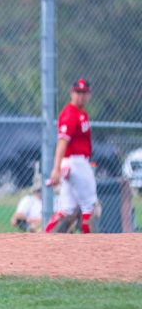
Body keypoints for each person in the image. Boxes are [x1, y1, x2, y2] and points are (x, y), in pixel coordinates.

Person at [45, 78, 97, 233]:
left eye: (84, 93)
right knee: (90, 207)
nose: (81, 96)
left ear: (89, 95)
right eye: (78, 92)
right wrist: (56, 169)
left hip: (74, 163)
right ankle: (91, 248)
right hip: (75, 163)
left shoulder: (81, 113)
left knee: (67, 210)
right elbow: (62, 142)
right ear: (71, 93)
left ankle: (46, 238)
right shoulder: (70, 114)